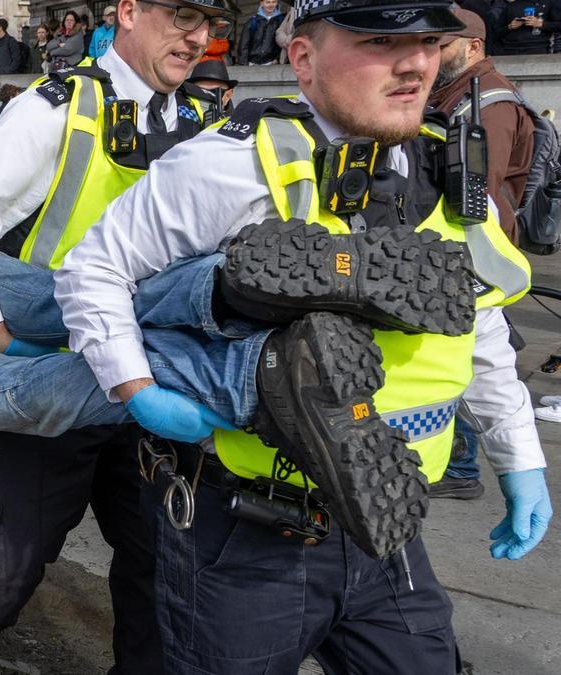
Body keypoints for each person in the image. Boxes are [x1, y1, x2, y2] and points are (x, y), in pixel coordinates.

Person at [52, 1, 550, 671]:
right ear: (303, 59)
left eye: (431, 42)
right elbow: (94, 268)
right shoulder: (230, 163)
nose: (415, 64)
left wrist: (518, 456)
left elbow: (476, 318)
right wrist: (134, 387)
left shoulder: (451, 167)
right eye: (380, 42)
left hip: (389, 518)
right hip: (248, 534)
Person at [0, 0, 229, 671]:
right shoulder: (58, 107)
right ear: (128, 11)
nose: (198, 37)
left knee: (158, 560)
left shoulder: (203, 124)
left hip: (152, 388)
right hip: (54, 385)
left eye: (209, 22)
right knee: (9, 558)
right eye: (182, 14)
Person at [428, 8, 536, 501]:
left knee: (464, 353)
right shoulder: (461, 94)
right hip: (465, 247)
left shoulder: (487, 102)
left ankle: (460, 464)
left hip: (472, 250)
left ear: (473, 47)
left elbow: (478, 191)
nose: (431, 53)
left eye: (441, 44)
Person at [492, 0, 560, 54]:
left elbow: (558, 26)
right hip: (511, 50)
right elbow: (495, 33)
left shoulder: (548, 3)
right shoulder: (510, 6)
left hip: (539, 48)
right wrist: (510, 26)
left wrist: (542, 24)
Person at [237, 0, 285, 65]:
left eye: (274, 2)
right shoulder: (252, 22)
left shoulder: (281, 21)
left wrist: (278, 60)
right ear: (262, 3)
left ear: (277, 3)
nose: (271, 5)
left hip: (272, 64)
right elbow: (243, 45)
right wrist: (245, 64)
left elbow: (284, 43)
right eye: (268, 2)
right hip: (252, 64)